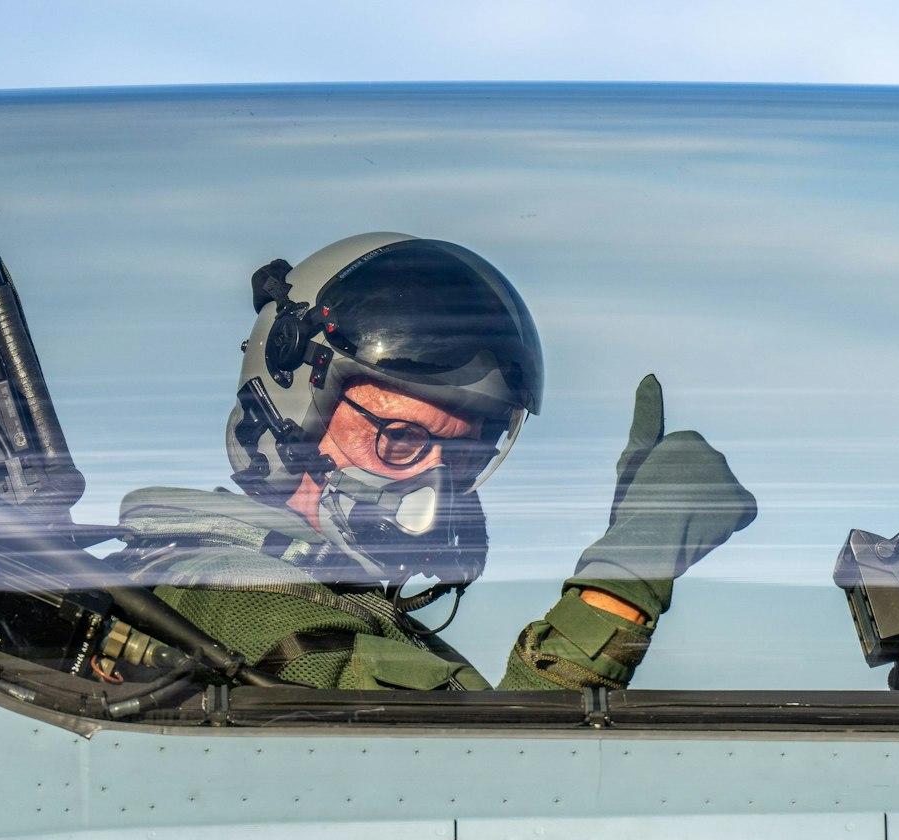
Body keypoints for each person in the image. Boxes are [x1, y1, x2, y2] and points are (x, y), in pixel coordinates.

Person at [115, 233, 756, 691]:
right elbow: (485, 786)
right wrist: (622, 582)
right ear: (288, 419)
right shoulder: (234, 598)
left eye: (464, 455)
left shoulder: (348, 609)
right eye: (399, 438)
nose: (435, 487)